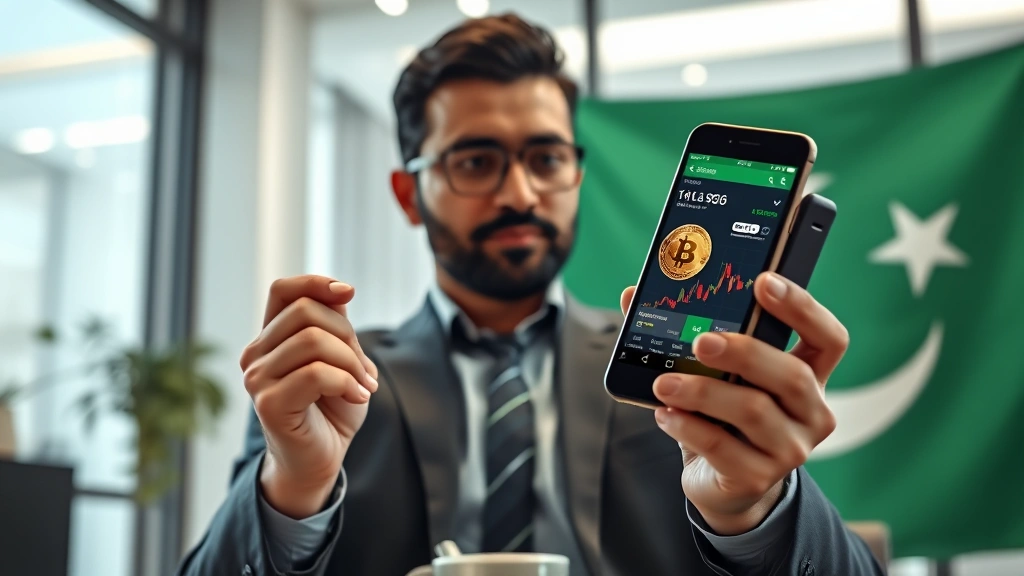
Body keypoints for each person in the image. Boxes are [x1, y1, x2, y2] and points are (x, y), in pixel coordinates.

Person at [179, 14, 882, 576]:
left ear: (575, 176)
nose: (519, 194)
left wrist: (758, 510)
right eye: (476, 161)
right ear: (408, 194)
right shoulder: (327, 382)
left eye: (546, 159)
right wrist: (291, 492)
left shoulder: (680, 371)